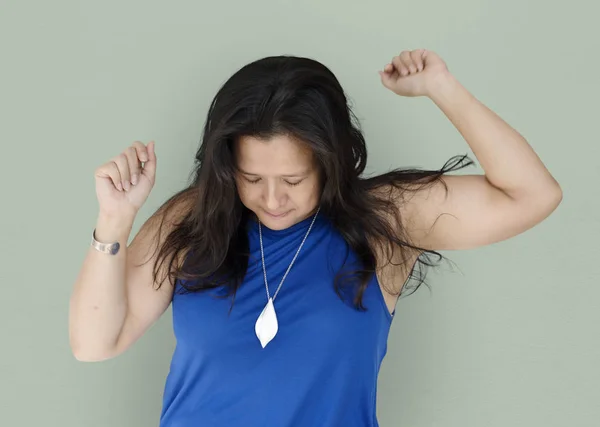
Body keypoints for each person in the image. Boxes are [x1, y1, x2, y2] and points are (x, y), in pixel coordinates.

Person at [68, 49, 562, 426]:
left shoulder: (387, 221)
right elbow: (93, 343)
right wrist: (113, 221)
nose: (272, 199)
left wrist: (442, 88)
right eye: (251, 178)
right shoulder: (193, 219)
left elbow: (532, 195)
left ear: (331, 163)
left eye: (294, 181)